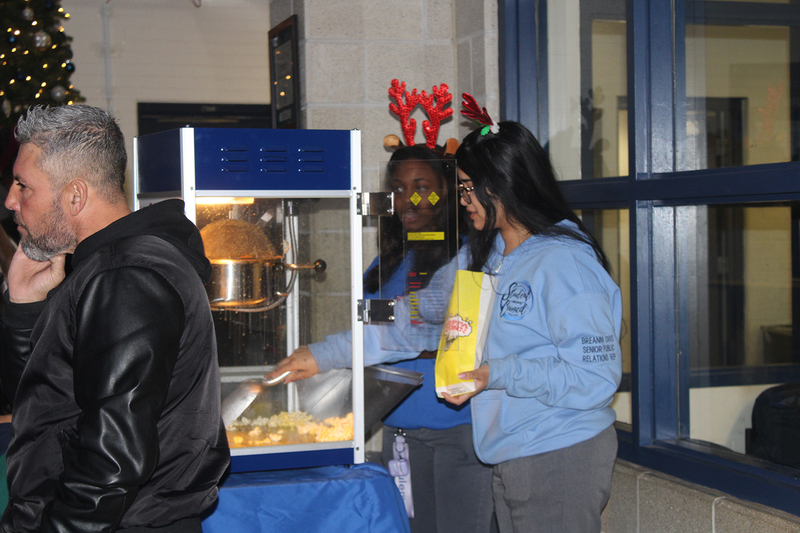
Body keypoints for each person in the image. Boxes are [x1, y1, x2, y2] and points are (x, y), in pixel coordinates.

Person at [0, 105, 229, 533]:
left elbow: (111, 462)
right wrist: (24, 309)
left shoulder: (126, 277)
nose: (11, 200)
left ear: (74, 196)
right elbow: (48, 409)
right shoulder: (103, 268)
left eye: (23, 186)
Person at [274, 145, 494, 533]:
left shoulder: (467, 258)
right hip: (400, 432)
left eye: (422, 186)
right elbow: (374, 329)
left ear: (448, 191)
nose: (409, 199)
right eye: (398, 187)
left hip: (456, 430)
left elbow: (414, 330)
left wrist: (326, 354)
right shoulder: (389, 259)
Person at [442, 117, 622, 533]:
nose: (463, 199)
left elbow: (595, 376)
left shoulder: (564, 261)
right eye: (461, 188)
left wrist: (498, 373)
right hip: (513, 450)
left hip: (560, 450)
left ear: (501, 185)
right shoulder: (493, 256)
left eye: (469, 188)